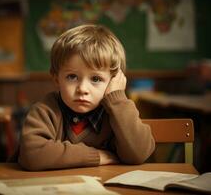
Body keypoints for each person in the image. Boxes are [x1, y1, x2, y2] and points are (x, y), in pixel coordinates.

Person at [18, 24, 155, 171]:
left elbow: (139, 154)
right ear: (57, 79)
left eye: (96, 79)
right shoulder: (46, 110)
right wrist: (97, 156)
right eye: (72, 77)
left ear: (114, 81)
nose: (82, 89)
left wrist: (117, 99)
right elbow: (32, 155)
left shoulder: (116, 113)